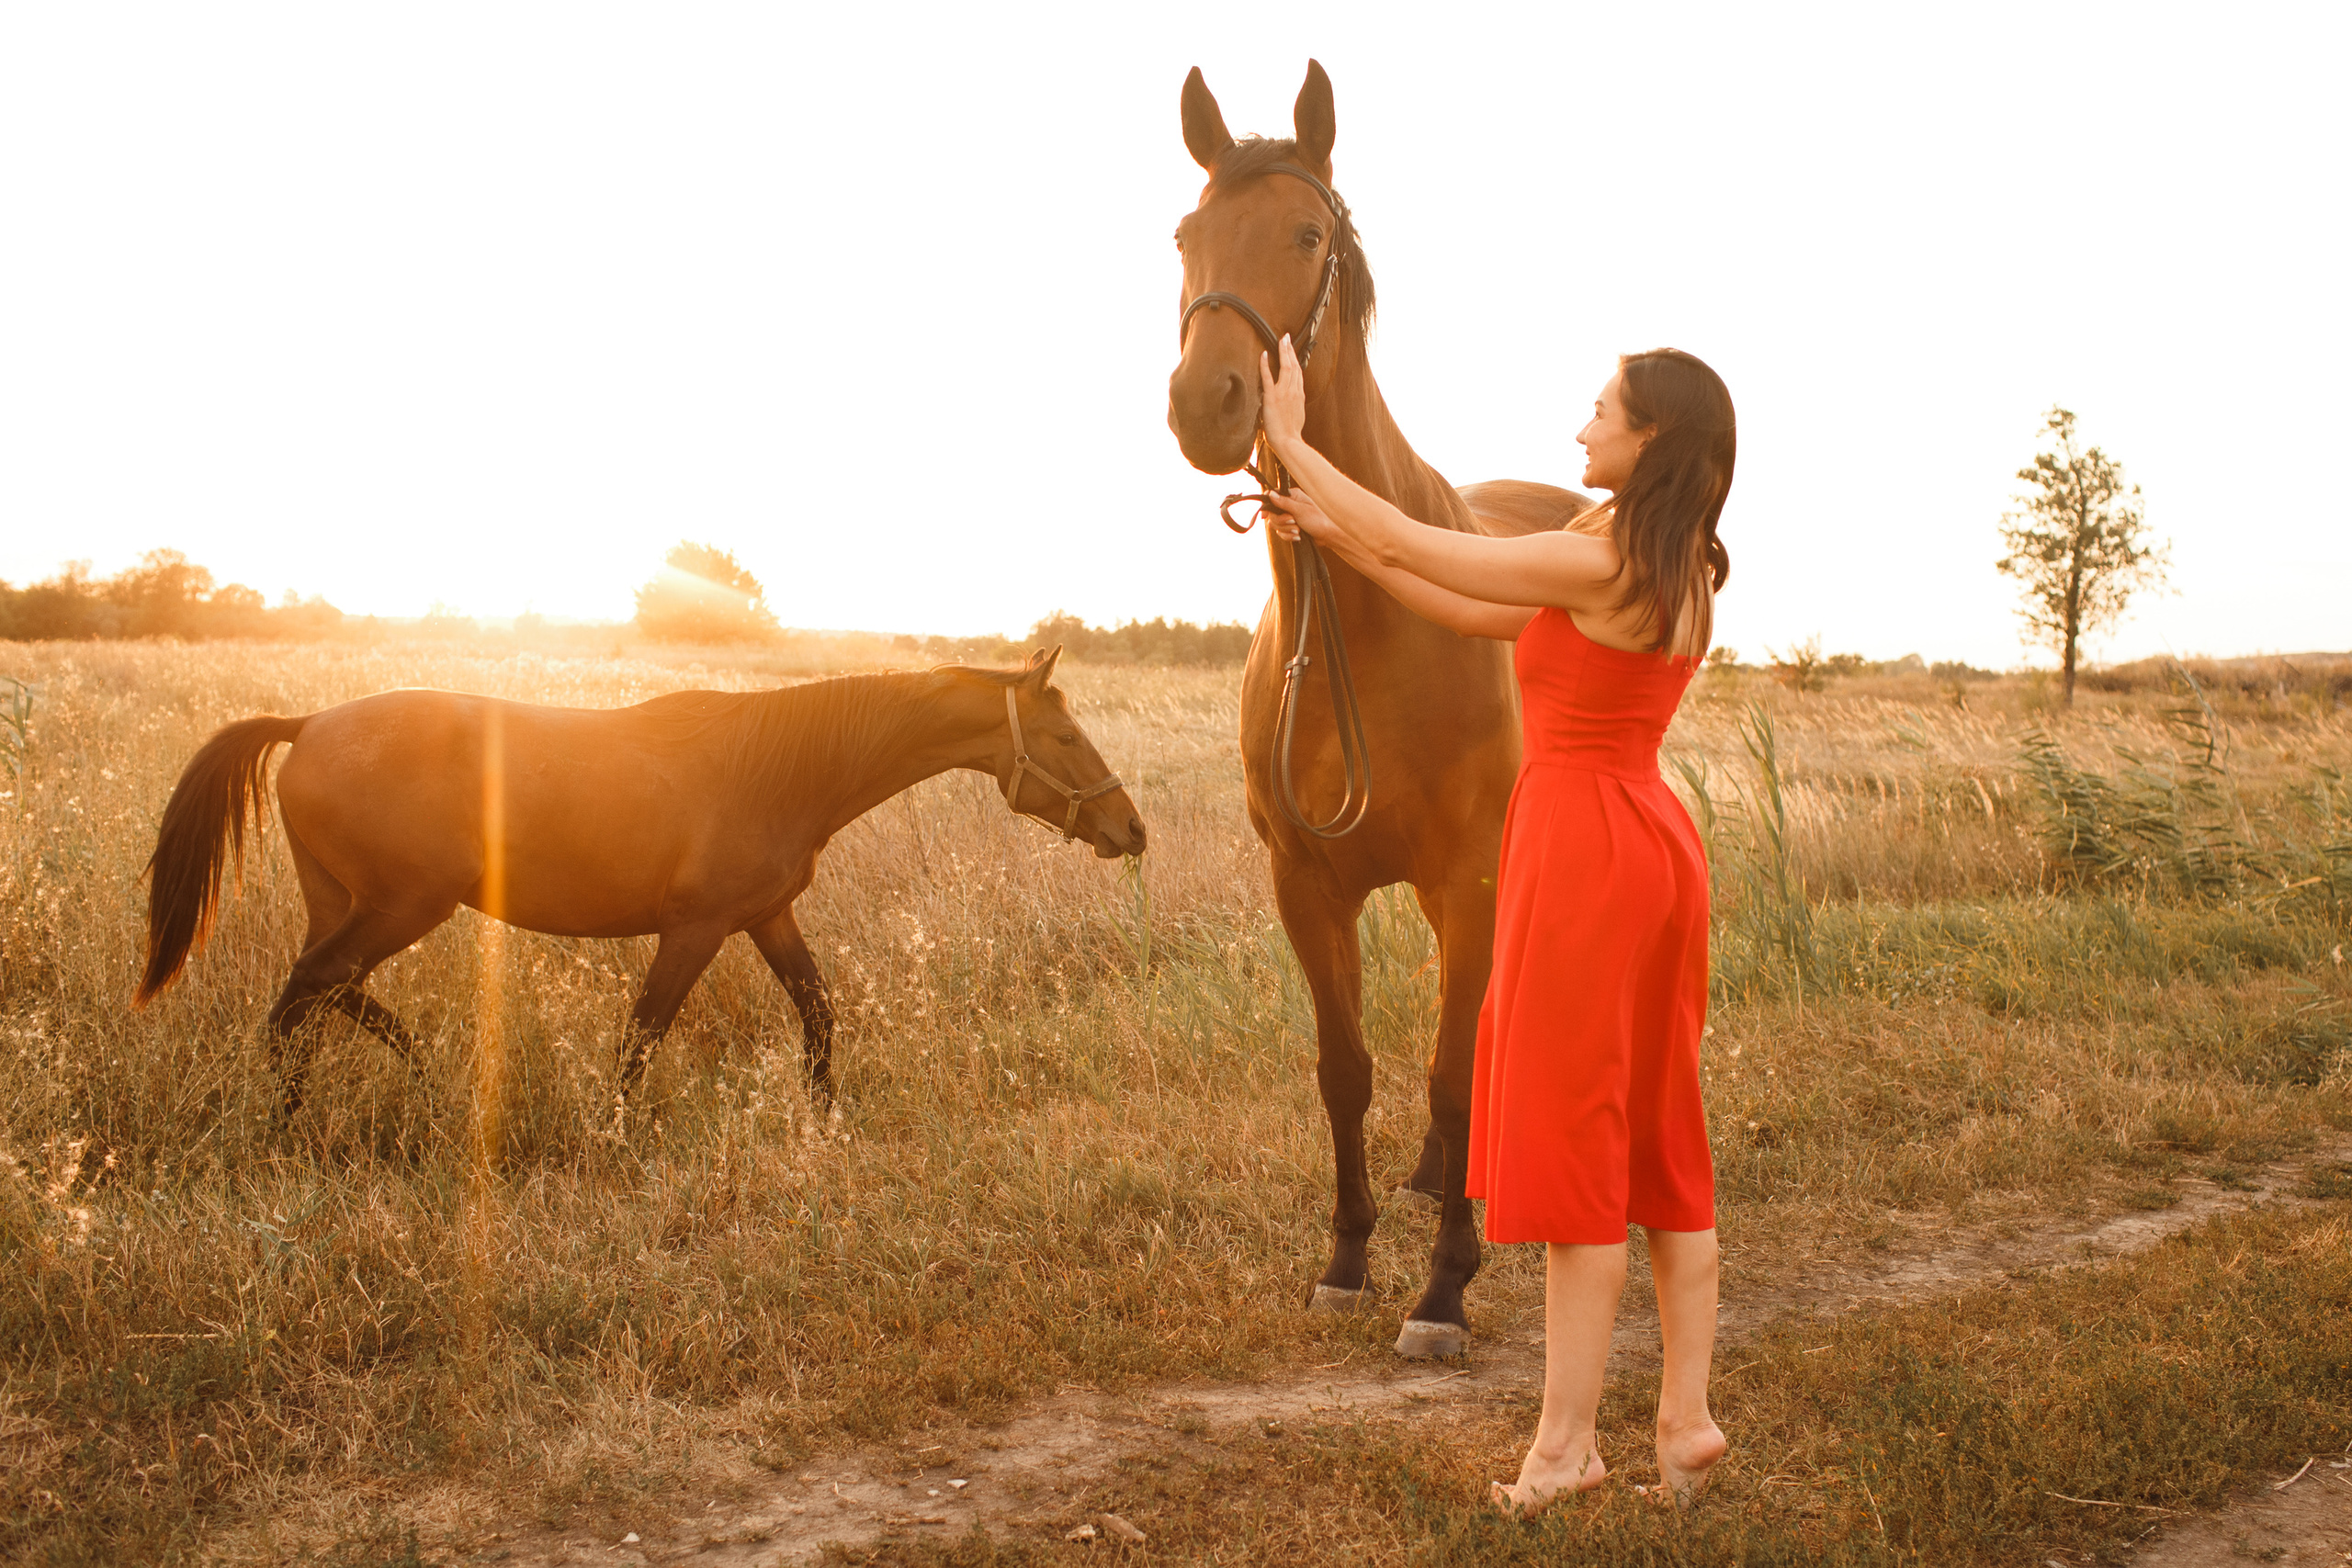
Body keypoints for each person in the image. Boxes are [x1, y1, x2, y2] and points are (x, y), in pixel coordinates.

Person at [1256, 335, 1736, 1515]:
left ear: (1651, 439)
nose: (1581, 431)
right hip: (1653, 839)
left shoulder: (1611, 553)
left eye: (1600, 411)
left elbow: (1417, 539)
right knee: (1663, 1144)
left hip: (1583, 850)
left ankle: (1564, 1449)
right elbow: (1459, 598)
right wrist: (1324, 530)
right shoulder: (1672, 558)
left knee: (1580, 1158)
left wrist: (1295, 442)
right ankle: (1685, 1421)